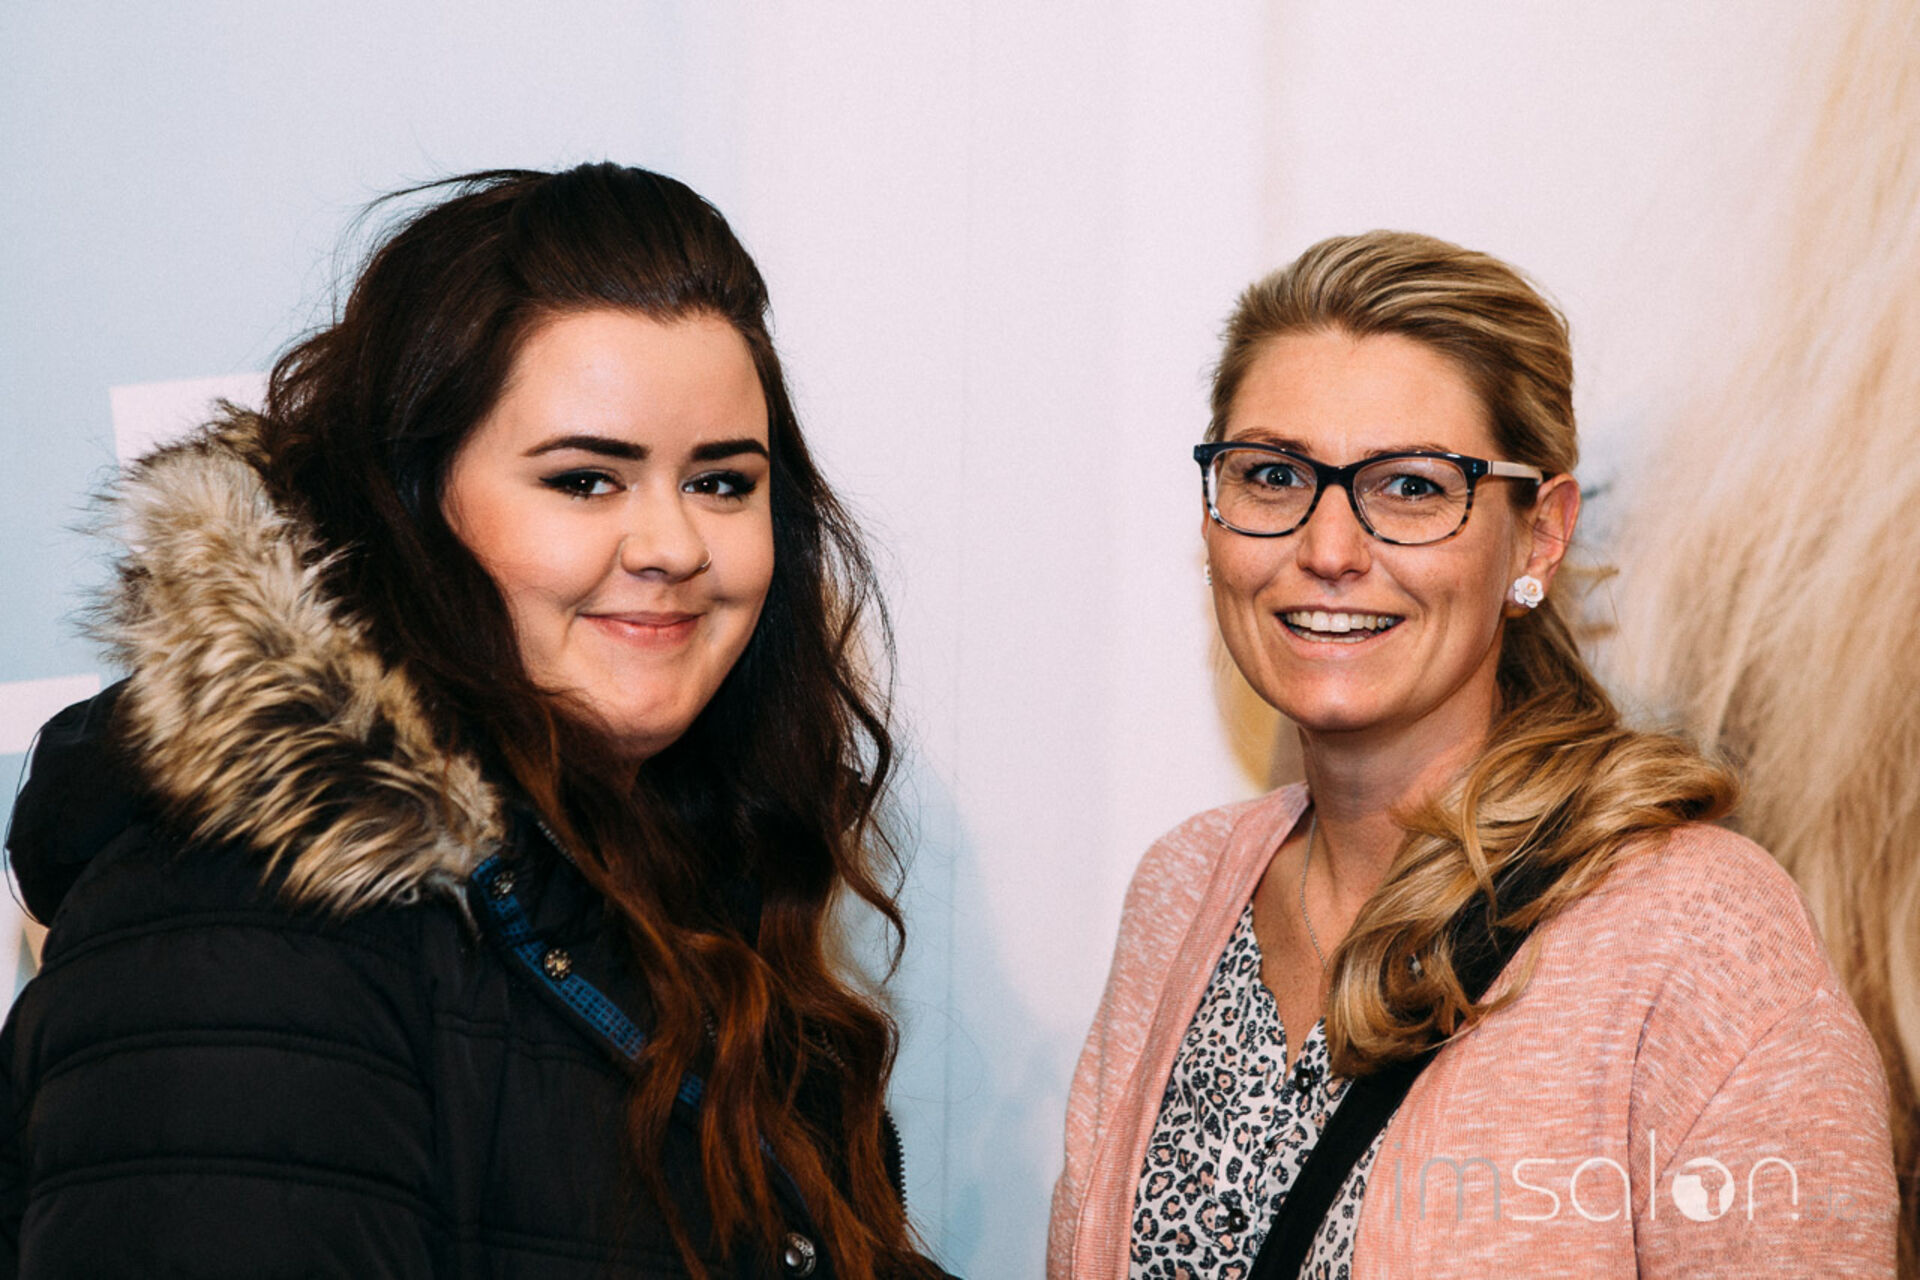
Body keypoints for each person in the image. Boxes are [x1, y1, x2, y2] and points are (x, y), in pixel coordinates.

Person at [1, 163, 950, 1279]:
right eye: (586, 480)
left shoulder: (669, 881)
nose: (675, 546)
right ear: (411, 506)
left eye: (723, 483)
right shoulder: (246, 917)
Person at [1048, 231, 1899, 1278]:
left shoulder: (1697, 935)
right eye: (1272, 474)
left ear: (1540, 534)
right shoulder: (1181, 891)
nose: (1328, 548)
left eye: (1411, 487)